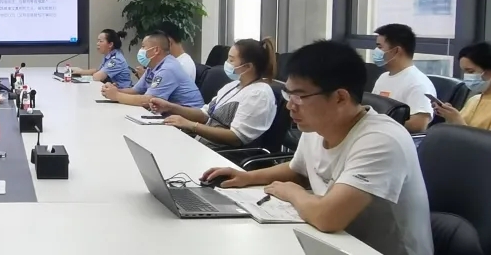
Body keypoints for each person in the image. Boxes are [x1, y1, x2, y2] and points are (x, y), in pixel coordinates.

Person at [202, 40, 432, 255]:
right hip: (330, 242)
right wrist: (246, 177)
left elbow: (327, 217)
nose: (290, 106)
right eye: (288, 95)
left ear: (340, 97)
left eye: (299, 97)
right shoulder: (317, 126)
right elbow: (298, 170)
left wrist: (292, 193)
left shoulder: (382, 140)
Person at [150, 37, 278, 148]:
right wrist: (170, 107)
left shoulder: (259, 94)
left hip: (227, 156)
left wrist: (191, 125)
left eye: (231, 60)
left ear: (248, 66)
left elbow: (236, 138)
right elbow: (205, 114)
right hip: (204, 145)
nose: (226, 63)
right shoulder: (233, 86)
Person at [100, 31, 203, 108]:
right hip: (169, 115)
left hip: (188, 119)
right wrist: (114, 90)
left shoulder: (168, 68)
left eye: (143, 47)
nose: (141, 50)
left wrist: (117, 95)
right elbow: (136, 91)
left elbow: (149, 100)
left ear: (156, 50)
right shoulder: (152, 66)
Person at [371, 24, 437, 133]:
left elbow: (419, 124)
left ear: (397, 50)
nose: (376, 51)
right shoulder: (383, 77)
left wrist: (382, 124)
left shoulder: (418, 83)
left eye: (380, 47)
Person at [432, 41, 491, 130]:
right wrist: (450, 117)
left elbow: (482, 139)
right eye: (464, 72)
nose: (466, 76)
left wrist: (457, 121)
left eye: (470, 71)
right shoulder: (473, 100)